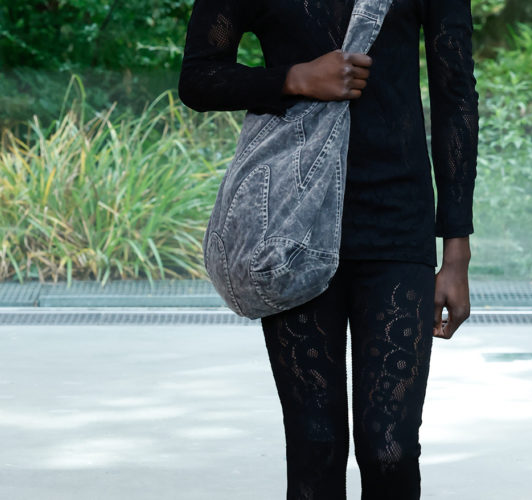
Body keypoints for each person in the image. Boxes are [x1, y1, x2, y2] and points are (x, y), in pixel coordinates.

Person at [178, 0, 478, 498]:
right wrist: (294, 78)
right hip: (292, 226)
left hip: (397, 219)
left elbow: (456, 93)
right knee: (315, 446)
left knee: (389, 450)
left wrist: (456, 251)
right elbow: (198, 78)